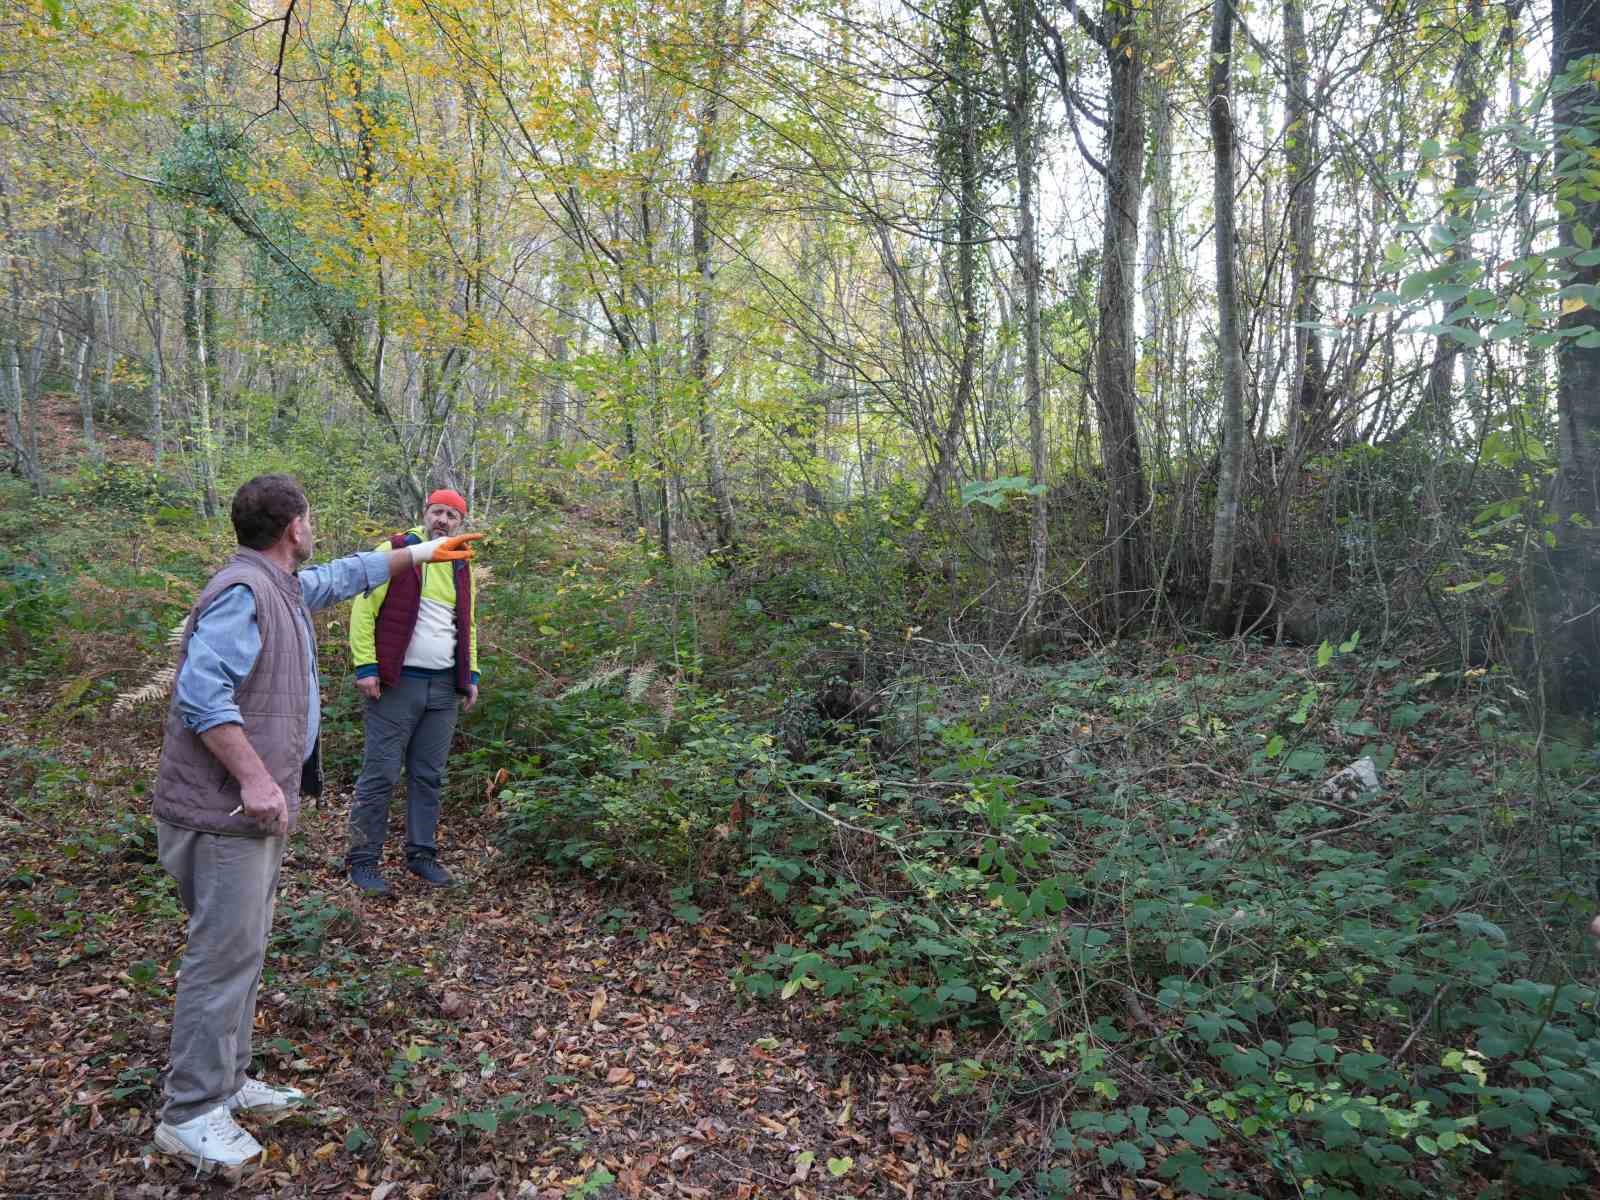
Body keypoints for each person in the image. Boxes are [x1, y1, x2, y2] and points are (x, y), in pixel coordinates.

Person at [149, 474, 480, 1175]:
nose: (315, 528)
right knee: (220, 956)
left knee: (245, 949)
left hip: (247, 815)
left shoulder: (284, 586)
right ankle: (189, 1112)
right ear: (293, 527)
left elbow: (350, 573)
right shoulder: (244, 592)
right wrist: (255, 777)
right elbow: (201, 695)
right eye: (311, 517)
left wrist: (426, 552)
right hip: (223, 813)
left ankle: (228, 1083)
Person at [345, 488, 480, 896]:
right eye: (437, 512)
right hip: (397, 683)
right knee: (381, 773)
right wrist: (366, 667)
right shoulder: (397, 550)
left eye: (451, 516)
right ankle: (362, 861)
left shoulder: (461, 564)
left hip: (443, 689)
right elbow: (363, 608)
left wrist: (470, 673)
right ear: (425, 513)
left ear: (460, 523)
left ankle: (422, 856)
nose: (443, 520)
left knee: (428, 776)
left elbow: (466, 623)